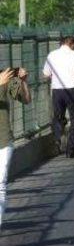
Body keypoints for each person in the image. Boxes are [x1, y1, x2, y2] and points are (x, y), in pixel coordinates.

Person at [43, 36, 74, 158]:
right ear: (72, 44)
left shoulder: (51, 55)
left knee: (58, 117)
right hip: (72, 90)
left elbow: (45, 74)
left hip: (57, 90)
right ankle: (70, 150)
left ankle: (57, 138)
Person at [0, 67, 31, 227]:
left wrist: (23, 82)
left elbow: (26, 99)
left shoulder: (5, 77)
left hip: (3, 139)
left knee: (0, 184)